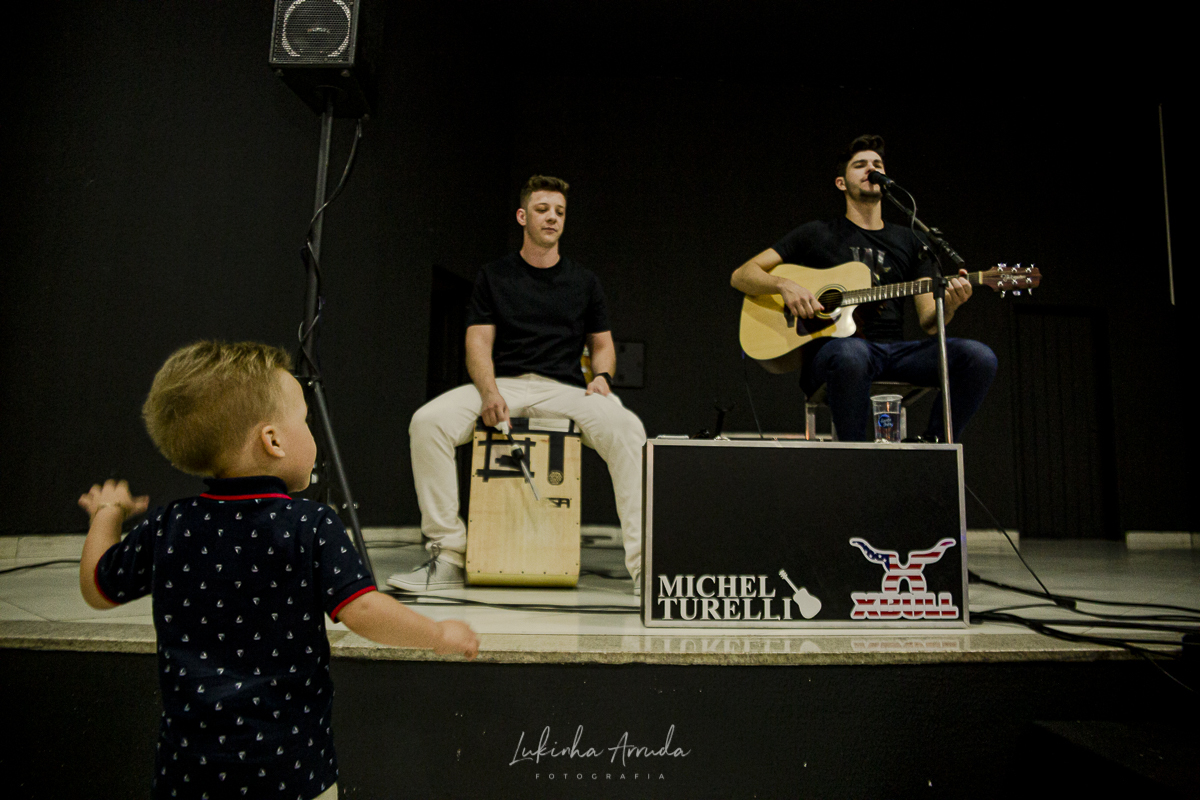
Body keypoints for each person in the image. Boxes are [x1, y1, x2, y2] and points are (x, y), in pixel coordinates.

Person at [78, 341, 479, 800]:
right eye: (305, 420)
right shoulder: (313, 524)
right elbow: (364, 609)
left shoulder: (170, 524)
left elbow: (96, 586)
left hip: (188, 774)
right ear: (273, 440)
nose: (311, 431)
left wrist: (107, 512)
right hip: (290, 772)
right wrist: (436, 634)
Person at [393, 175, 647, 594]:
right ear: (522, 216)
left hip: (565, 390)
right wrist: (489, 392)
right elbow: (478, 342)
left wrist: (602, 377)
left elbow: (602, 345)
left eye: (559, 212)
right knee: (427, 422)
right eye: (543, 209)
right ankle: (447, 555)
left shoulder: (584, 281)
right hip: (504, 384)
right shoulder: (494, 276)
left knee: (629, 430)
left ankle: (645, 570)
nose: (552, 217)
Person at [730, 134, 998, 442]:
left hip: (894, 352)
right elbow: (741, 275)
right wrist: (784, 285)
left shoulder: (913, 240)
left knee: (979, 357)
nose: (871, 169)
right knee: (852, 352)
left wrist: (949, 304)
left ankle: (933, 443)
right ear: (841, 183)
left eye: (877, 164)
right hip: (834, 353)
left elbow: (930, 322)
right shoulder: (817, 234)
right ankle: (854, 454)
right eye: (860, 165)